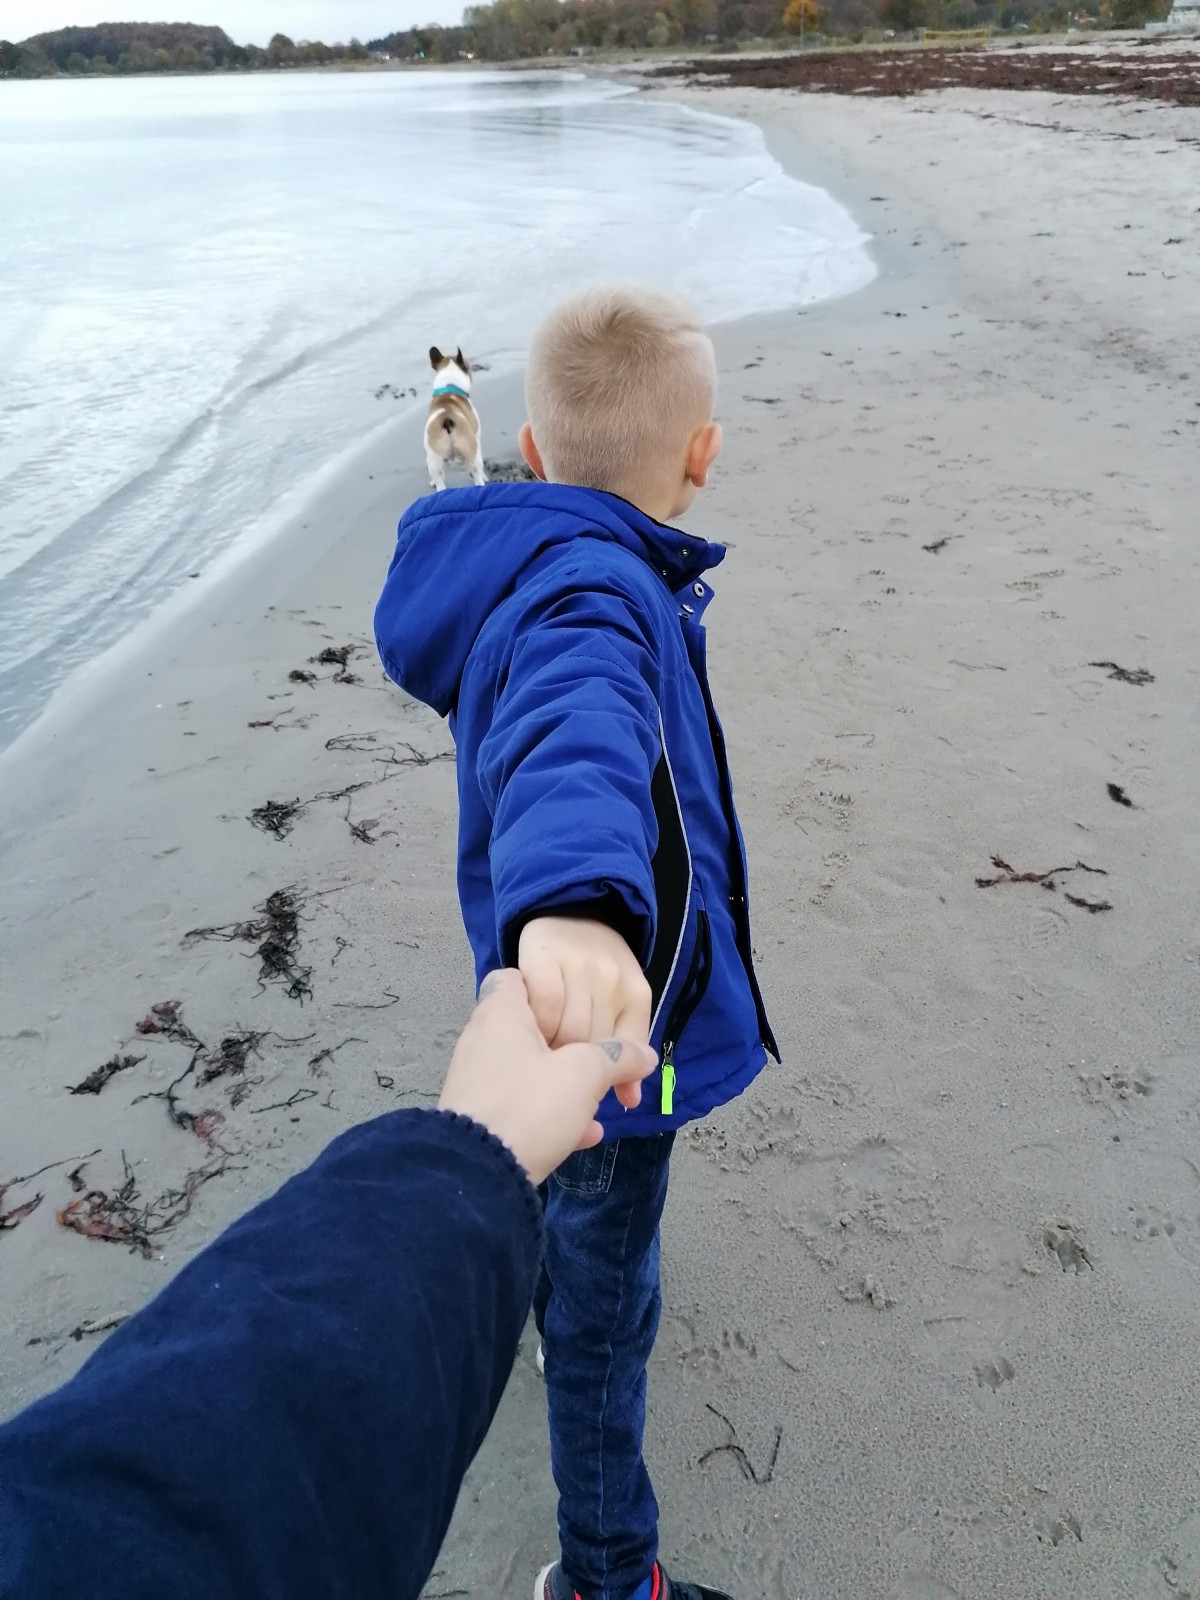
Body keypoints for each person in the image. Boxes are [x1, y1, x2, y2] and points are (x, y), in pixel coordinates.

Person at [374, 285, 780, 1600]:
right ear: (703, 456)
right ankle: (609, 1578)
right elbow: (575, 731)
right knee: (609, 1321)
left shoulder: (552, 564)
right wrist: (577, 903)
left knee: (574, 1212)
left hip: (549, 993)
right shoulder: (593, 594)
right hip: (607, 1032)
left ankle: (547, 1271)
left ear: (534, 455)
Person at [0, 971, 656, 1600]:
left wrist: (475, 1168)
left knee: (570, 1247)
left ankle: (549, 1324)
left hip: (599, 1093)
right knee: (603, 1314)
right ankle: (609, 1578)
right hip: (613, 1096)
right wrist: (470, 1167)